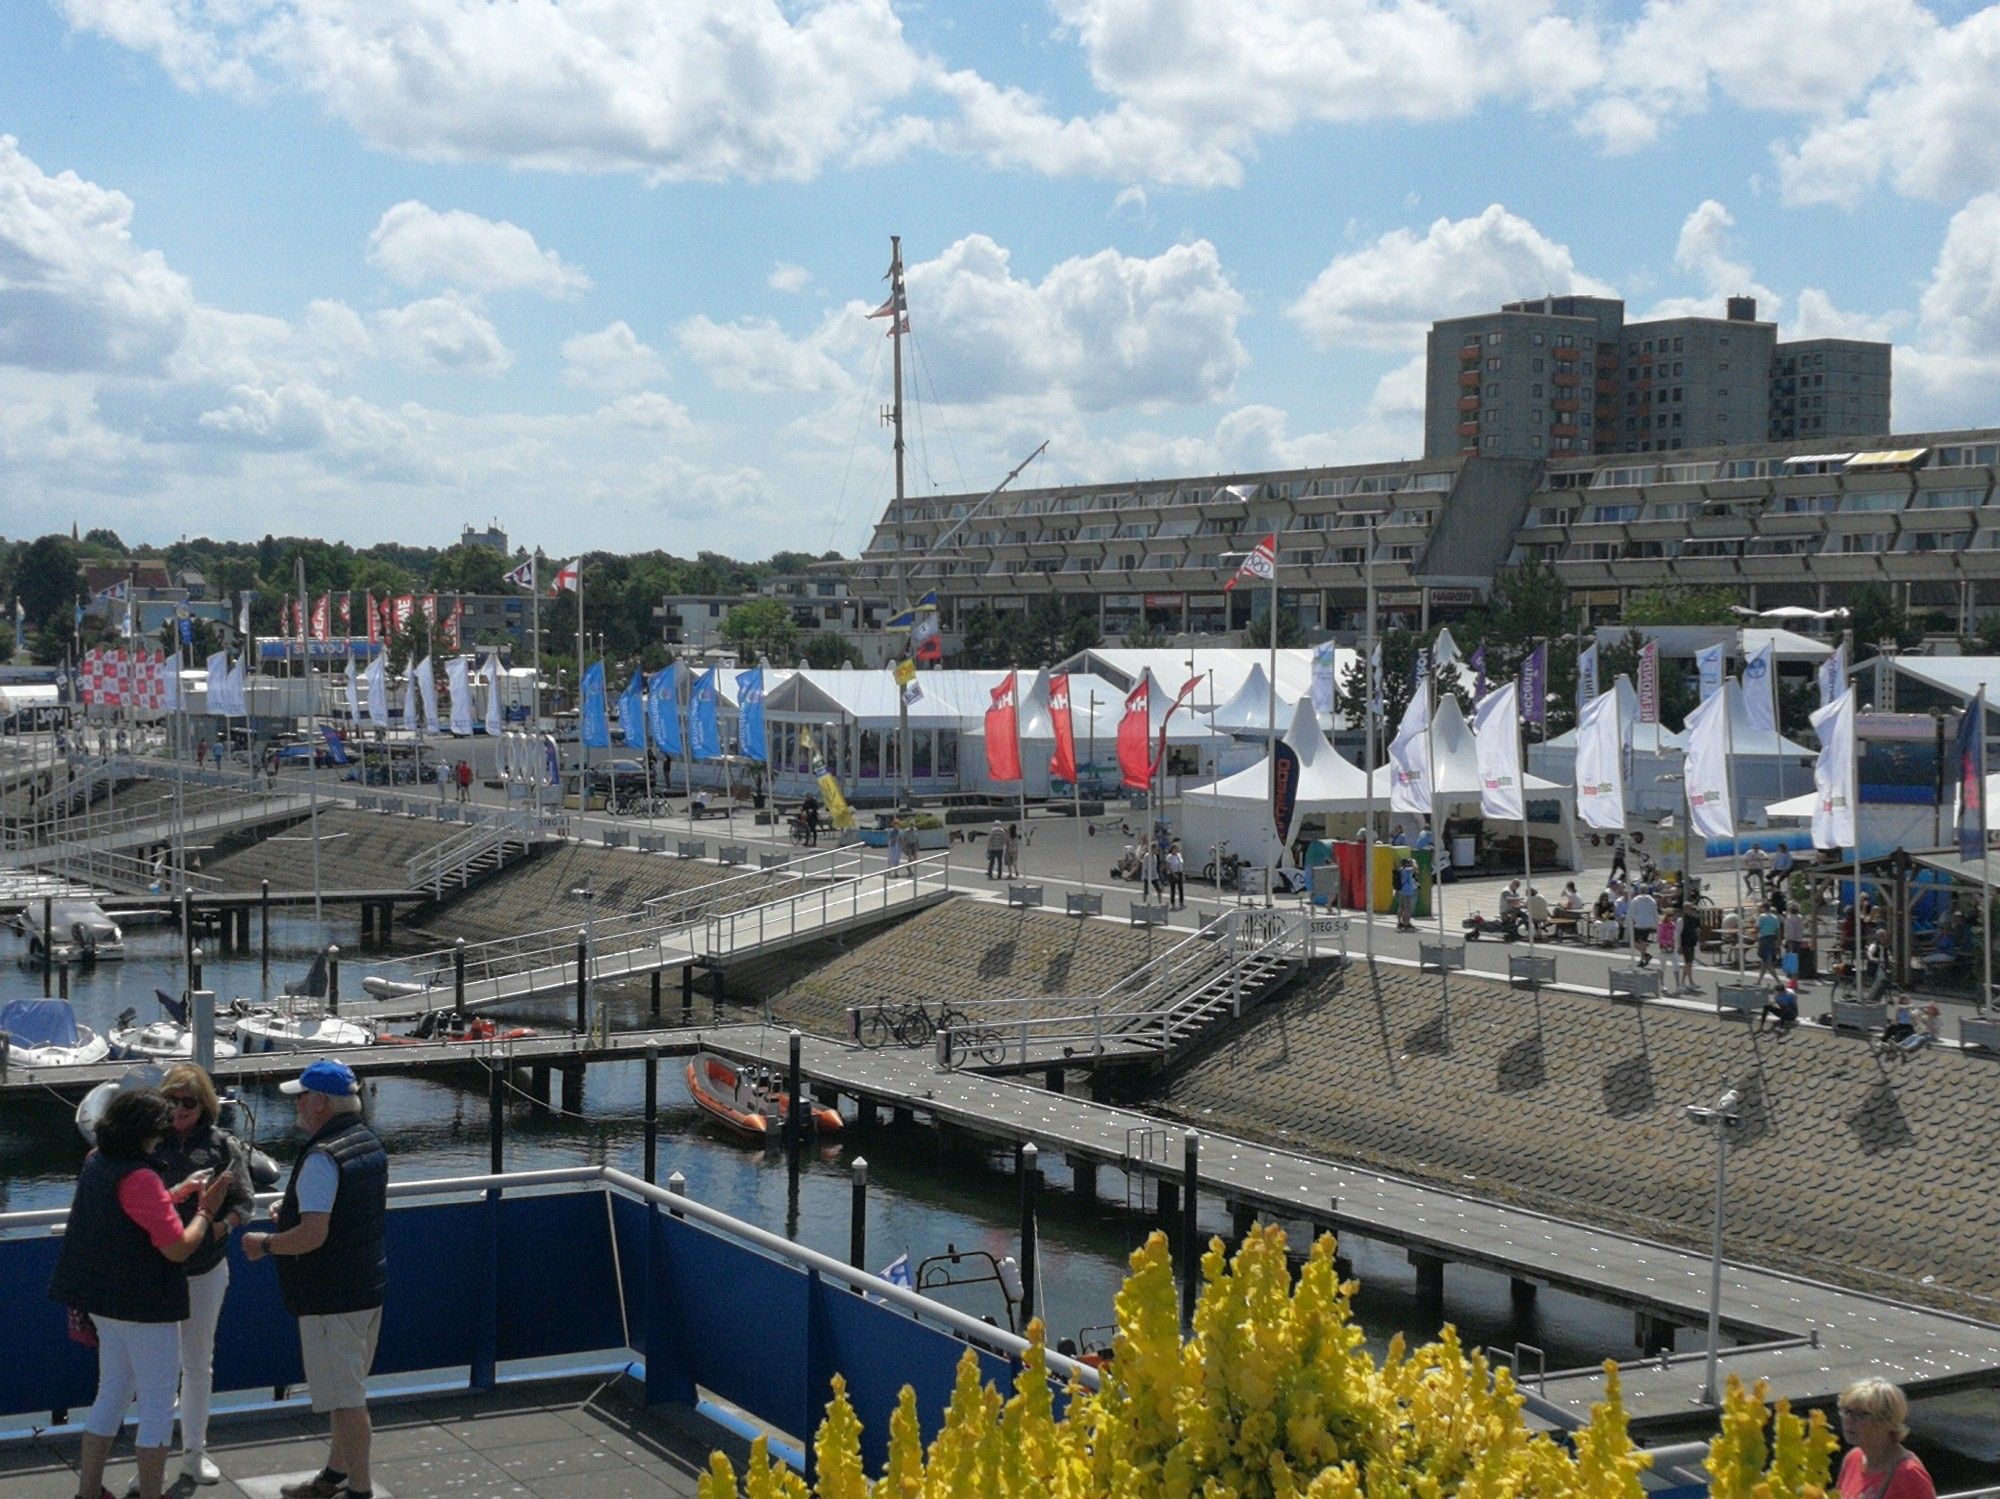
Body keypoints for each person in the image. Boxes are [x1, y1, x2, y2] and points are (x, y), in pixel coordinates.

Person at [48, 1089, 234, 1499]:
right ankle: (151, 1492)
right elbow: (178, 1247)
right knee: (157, 1402)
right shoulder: (141, 1177)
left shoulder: (96, 1161)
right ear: (146, 1133)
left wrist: (174, 1193)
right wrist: (205, 1210)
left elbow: (127, 1211)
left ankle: (89, 1490)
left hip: (104, 1301)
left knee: (111, 1392)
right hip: (146, 1305)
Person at [243, 1060, 389, 1499]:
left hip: (332, 1298)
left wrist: (265, 1243)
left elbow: (313, 1235)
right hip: (366, 1286)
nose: (297, 1105)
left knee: (347, 1401)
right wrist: (288, 1213)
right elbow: (343, 1213)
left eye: (302, 1097)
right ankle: (336, 1474)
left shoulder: (322, 1158)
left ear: (320, 1103)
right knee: (346, 1390)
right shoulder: (367, 1143)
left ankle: (358, 1490)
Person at [151, 1064, 256, 1487]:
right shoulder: (147, 1145)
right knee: (155, 1372)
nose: (179, 1110)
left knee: (197, 1366)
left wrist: (222, 1226)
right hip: (154, 1272)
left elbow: (245, 1201)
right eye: (171, 1100)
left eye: (189, 1102)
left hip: (205, 1270)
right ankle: (152, 1462)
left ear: (204, 1105)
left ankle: (194, 1453)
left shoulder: (222, 1146)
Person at [1834, 1378, 1935, 1499]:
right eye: (1846, 1411)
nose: (1848, 1420)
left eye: (1860, 1414)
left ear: (1887, 1422)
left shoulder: (1908, 1473)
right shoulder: (1853, 1459)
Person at [1755, 902, 1784, 984]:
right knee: (1765, 961)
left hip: (1764, 939)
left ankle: (1778, 981)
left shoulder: (1761, 917)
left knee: (1766, 962)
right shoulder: (1775, 917)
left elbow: (1757, 927)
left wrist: (1756, 936)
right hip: (1772, 939)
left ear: (1763, 908)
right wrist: (1778, 941)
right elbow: (1778, 931)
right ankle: (1759, 981)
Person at [1629, 887, 1659, 966]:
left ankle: (1645, 955)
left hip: (1639, 923)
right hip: (1648, 923)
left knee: (1634, 942)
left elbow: (1632, 912)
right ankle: (1643, 959)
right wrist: (1656, 924)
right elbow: (1655, 913)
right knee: (1643, 942)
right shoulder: (1652, 901)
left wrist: (1632, 920)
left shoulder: (1635, 900)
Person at [1678, 902, 1701, 991]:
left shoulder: (1695, 919)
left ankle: (1683, 981)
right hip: (1685, 943)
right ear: (1686, 910)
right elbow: (1678, 934)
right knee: (1688, 963)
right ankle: (1690, 982)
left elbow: (1697, 930)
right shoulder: (1681, 920)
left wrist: (1698, 938)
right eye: (1691, 909)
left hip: (1692, 942)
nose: (1693, 910)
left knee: (1689, 963)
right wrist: (1679, 946)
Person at [1395, 859, 1418, 931]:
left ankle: (1399, 922)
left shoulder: (1401, 870)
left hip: (1401, 890)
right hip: (1407, 891)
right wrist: (1413, 862)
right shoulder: (1408, 870)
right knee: (1407, 908)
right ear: (1406, 864)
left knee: (1401, 907)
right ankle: (1406, 924)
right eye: (1408, 863)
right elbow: (1416, 869)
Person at [1166, 841, 1186, 909]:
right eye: (1176, 848)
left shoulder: (1179, 855)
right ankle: (1173, 903)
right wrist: (1173, 874)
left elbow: (1181, 864)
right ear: (1173, 849)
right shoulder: (1169, 856)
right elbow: (1168, 866)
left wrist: (1182, 873)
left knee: (1181, 889)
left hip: (1179, 872)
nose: (1177, 849)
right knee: (1173, 889)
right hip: (1172, 873)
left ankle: (1181, 902)